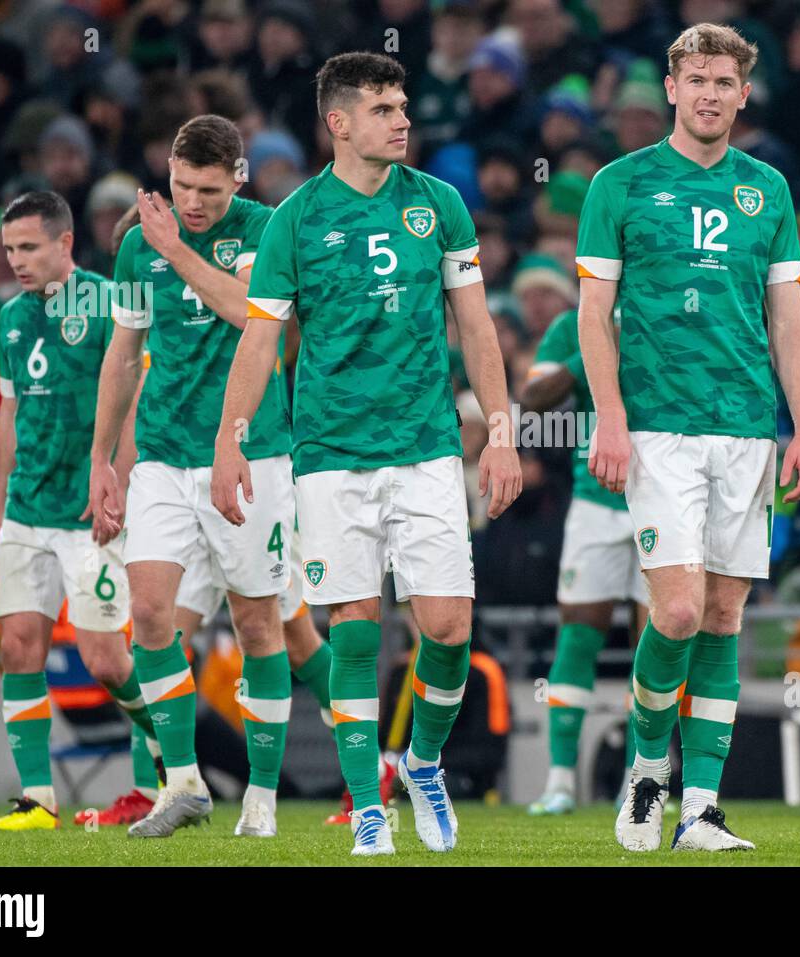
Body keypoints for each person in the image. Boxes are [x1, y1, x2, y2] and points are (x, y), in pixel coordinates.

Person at [211, 52, 520, 856]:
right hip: (331, 454)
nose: (403, 118)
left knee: (449, 627)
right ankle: (368, 810)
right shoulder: (296, 219)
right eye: (384, 107)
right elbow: (261, 340)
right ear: (338, 123)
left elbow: (477, 327)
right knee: (353, 627)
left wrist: (502, 426)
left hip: (424, 447)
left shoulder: (441, 204)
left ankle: (421, 762)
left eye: (404, 104)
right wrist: (230, 440)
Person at [578, 23, 800, 852]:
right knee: (676, 610)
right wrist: (608, 415)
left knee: (723, 615)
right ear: (672, 90)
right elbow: (592, 313)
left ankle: (701, 810)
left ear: (745, 92)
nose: (711, 93)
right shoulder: (621, 183)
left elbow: (788, 315)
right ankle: (648, 771)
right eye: (697, 79)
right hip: (657, 427)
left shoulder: (770, 190)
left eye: (726, 81)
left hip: (747, 428)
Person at [87, 115, 295, 839]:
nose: (192, 202)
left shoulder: (267, 227)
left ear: (238, 178)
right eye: (180, 186)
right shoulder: (141, 244)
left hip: (251, 449)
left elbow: (249, 314)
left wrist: (176, 249)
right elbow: (121, 355)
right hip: (162, 456)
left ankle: (262, 798)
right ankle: (182, 783)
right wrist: (104, 461)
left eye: (207, 189)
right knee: (147, 616)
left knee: (257, 623)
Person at [0, 190, 160, 831]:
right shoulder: (10, 319)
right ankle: (37, 801)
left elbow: (137, 398)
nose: (17, 261)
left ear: (65, 243)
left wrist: (121, 483)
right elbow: (10, 415)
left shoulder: (112, 304)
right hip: (29, 511)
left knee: (106, 660)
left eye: (28, 247)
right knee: (18, 646)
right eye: (9, 250)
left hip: (92, 513)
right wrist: (2, 509)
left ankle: (167, 740)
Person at [522, 306, 650, 815]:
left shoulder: (666, 300)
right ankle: (558, 781)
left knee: (655, 645)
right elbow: (531, 401)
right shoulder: (571, 321)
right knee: (577, 635)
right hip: (595, 498)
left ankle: (641, 780)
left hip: (662, 495)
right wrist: (598, 341)